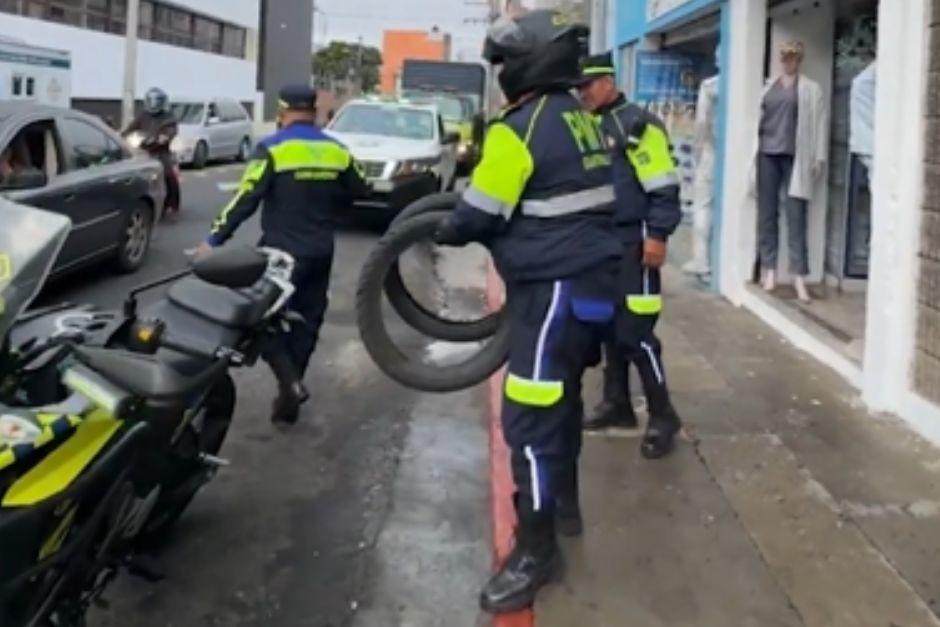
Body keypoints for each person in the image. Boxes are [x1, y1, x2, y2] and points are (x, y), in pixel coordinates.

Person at [433, 9, 621, 613]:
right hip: (593, 286)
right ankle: (563, 506)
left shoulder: (519, 126)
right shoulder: (579, 118)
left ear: (526, 65)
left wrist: (448, 224)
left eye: (504, 64)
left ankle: (537, 550)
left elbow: (480, 212)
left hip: (553, 290)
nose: (500, 74)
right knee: (562, 400)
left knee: (530, 420)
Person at [195, 85, 368, 426]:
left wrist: (213, 239)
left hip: (280, 253)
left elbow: (245, 198)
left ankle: (289, 382)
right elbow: (359, 189)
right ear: (314, 110)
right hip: (321, 250)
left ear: (283, 110)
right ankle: (293, 391)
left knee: (262, 321)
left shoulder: (272, 148)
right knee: (309, 320)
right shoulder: (338, 150)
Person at [574, 51, 684, 459]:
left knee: (636, 334)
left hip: (636, 243)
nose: (582, 93)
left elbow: (662, 185)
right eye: (578, 87)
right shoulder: (588, 125)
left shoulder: (637, 124)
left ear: (608, 81)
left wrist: (657, 234)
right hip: (601, 246)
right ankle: (617, 405)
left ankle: (663, 415)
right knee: (607, 328)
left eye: (587, 86)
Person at [753, 41, 827, 303]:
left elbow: (818, 125)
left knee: (796, 214)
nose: (788, 61)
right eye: (785, 57)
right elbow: (757, 122)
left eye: (793, 57)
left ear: (800, 59)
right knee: (767, 213)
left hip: (795, 157)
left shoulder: (810, 89)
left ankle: (798, 276)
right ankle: (769, 269)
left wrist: (818, 156)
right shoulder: (768, 88)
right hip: (767, 155)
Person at [124, 87, 181, 219]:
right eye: (151, 101)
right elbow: (131, 128)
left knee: (170, 175)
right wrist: (121, 135)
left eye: (156, 101)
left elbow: (172, 129)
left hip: (161, 151)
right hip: (143, 150)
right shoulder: (143, 115)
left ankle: (173, 205)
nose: (153, 104)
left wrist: (165, 136)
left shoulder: (168, 116)